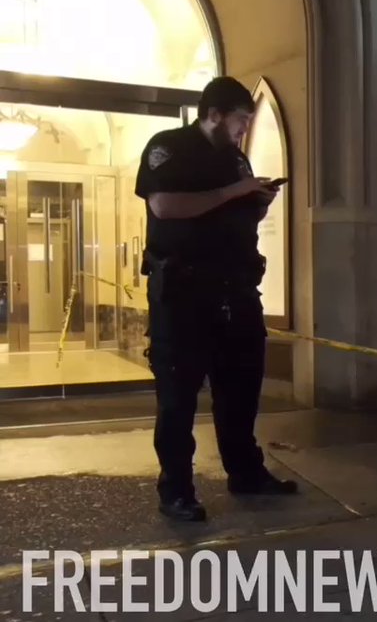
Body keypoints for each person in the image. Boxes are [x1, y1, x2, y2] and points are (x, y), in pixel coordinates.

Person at [135, 76, 298, 522]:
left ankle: (246, 472)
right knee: (178, 395)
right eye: (241, 120)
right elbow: (165, 206)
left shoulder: (236, 160)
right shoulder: (168, 147)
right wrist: (233, 192)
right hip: (185, 294)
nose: (245, 129)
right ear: (214, 115)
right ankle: (177, 490)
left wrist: (258, 199)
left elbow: (242, 214)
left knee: (241, 388)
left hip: (237, 291)